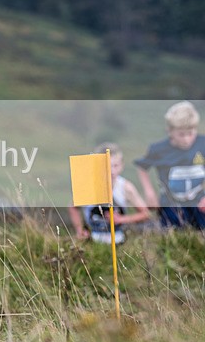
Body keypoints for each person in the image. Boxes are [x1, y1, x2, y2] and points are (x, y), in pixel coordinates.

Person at [135, 101, 205, 230]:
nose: (187, 139)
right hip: (171, 203)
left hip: (199, 201)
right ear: (170, 131)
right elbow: (142, 167)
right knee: (173, 235)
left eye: (191, 133)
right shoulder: (159, 149)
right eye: (181, 134)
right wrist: (149, 192)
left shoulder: (202, 144)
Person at [68, 142, 150, 244]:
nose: (111, 171)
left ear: (122, 165)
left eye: (115, 165)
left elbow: (146, 214)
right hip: (91, 241)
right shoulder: (88, 186)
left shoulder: (126, 187)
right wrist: (79, 230)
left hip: (119, 241)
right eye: (106, 166)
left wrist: (122, 219)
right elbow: (73, 207)